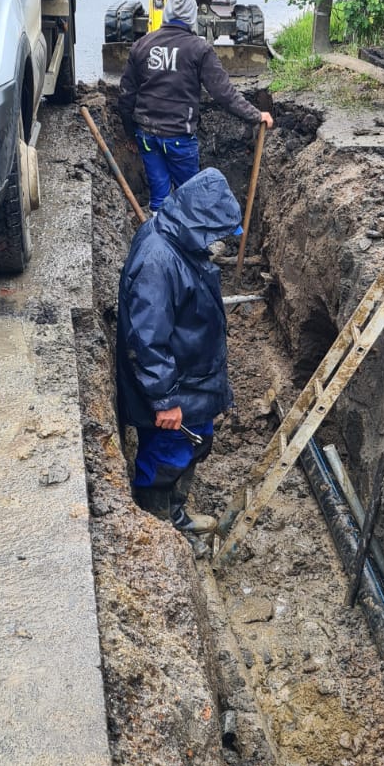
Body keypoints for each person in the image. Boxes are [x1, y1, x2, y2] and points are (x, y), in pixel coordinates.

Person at [117, 168, 242, 537]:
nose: (217, 242)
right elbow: (147, 339)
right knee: (170, 452)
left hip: (191, 377)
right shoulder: (158, 261)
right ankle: (161, 526)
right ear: (199, 221)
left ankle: (175, 510)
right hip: (176, 387)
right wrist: (165, 400)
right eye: (216, 233)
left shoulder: (176, 237)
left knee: (194, 441)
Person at [117, 0, 273, 212]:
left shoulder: (142, 45)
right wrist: (256, 115)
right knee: (189, 199)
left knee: (160, 198)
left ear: (167, 13)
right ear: (192, 17)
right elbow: (224, 93)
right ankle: (190, 243)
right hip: (179, 136)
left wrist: (130, 133)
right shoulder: (199, 49)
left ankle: (160, 241)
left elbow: (126, 95)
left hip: (147, 136)